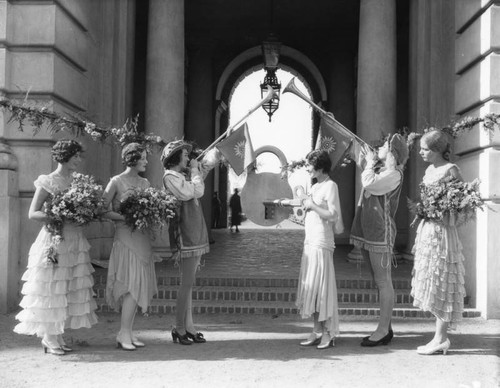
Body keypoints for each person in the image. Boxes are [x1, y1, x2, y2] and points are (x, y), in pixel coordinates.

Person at [14, 139, 98, 355]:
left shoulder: (78, 182)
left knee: (67, 287)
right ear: (65, 156)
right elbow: (33, 213)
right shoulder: (48, 181)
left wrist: (83, 214)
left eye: (80, 156)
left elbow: (84, 208)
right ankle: (49, 337)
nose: (79, 160)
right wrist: (59, 215)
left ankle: (56, 335)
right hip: (55, 240)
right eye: (75, 156)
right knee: (52, 286)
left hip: (75, 241)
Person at [350, 133, 409, 347]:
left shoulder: (394, 174)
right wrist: (368, 161)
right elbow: (365, 172)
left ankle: (383, 330)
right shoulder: (380, 169)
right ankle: (387, 325)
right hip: (369, 230)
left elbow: (369, 183)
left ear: (392, 153)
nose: (380, 146)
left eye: (385, 145)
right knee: (379, 280)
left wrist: (368, 164)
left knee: (383, 281)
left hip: (380, 231)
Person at [411, 130, 466, 355]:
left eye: (424, 149)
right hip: (428, 231)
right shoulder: (429, 170)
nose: (421, 153)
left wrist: (444, 212)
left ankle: (441, 338)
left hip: (443, 232)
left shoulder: (451, 170)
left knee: (442, 280)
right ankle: (438, 337)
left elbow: (462, 206)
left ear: (436, 150)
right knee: (432, 282)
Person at [161, 140, 218, 345]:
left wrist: (203, 165)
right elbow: (195, 191)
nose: (188, 158)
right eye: (185, 155)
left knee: (189, 284)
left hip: (193, 231)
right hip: (184, 233)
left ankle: (189, 327)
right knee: (186, 284)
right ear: (175, 158)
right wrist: (195, 170)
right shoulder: (170, 177)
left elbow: (201, 177)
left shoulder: (182, 175)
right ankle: (178, 328)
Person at [102, 142, 158, 351]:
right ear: (133, 158)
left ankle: (127, 332)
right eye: (143, 157)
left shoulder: (145, 183)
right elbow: (101, 210)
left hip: (142, 239)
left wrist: (150, 214)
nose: (146, 161)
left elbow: (151, 208)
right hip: (125, 238)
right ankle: (123, 332)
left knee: (138, 286)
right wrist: (125, 217)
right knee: (130, 287)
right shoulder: (116, 182)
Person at [292, 150, 344, 349]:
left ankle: (329, 332)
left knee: (322, 288)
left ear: (320, 167)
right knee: (312, 288)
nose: (307, 168)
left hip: (322, 243)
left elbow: (332, 215)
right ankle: (317, 330)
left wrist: (312, 205)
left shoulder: (331, 185)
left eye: (310, 165)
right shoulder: (314, 186)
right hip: (310, 241)